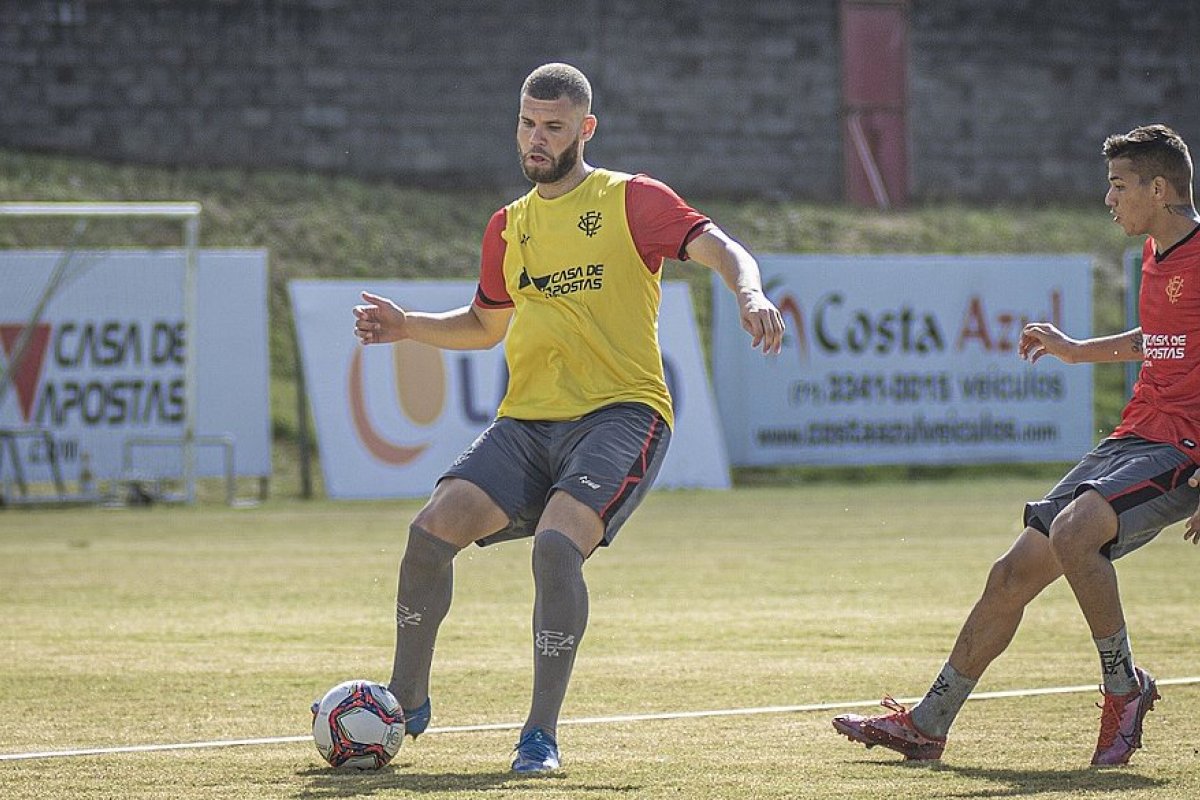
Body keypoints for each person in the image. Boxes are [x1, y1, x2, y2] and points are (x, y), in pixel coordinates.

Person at [352, 62, 784, 774]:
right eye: (527, 123)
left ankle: (539, 737)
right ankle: (405, 700)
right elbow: (486, 324)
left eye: (553, 126)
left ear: (584, 129)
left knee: (555, 548)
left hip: (622, 414)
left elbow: (721, 247)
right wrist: (407, 328)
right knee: (428, 534)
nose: (536, 138)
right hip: (527, 421)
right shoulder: (509, 225)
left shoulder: (630, 199)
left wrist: (750, 291)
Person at [833, 123, 1200, 767]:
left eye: (1118, 186)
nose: (1108, 198)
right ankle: (928, 722)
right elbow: (1163, 336)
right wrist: (1077, 350)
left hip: (1183, 448)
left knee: (1075, 530)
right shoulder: (1155, 252)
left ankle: (1124, 685)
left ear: (1159, 188)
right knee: (1009, 576)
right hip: (1133, 435)